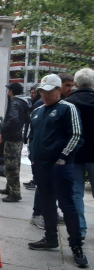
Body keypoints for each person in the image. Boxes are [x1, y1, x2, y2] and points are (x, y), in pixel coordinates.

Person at [28, 74, 88, 268]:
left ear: (57, 90)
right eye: (42, 92)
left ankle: (76, 246)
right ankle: (50, 238)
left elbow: (77, 135)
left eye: (48, 91)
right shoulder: (37, 111)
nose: (44, 95)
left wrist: (62, 158)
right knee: (47, 203)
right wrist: (32, 157)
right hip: (41, 166)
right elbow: (32, 136)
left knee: (67, 205)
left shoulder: (67, 108)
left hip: (60, 167)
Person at [65, 68, 94, 240]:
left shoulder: (69, 103)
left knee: (76, 193)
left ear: (76, 83)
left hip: (75, 154)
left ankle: (80, 230)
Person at [0, 82, 31, 202]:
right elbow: (27, 119)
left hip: (12, 138)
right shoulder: (23, 102)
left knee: (11, 166)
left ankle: (15, 193)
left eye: (8, 90)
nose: (7, 93)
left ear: (11, 92)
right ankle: (10, 188)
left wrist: (3, 127)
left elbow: (13, 120)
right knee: (14, 164)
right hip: (18, 138)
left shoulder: (14, 103)